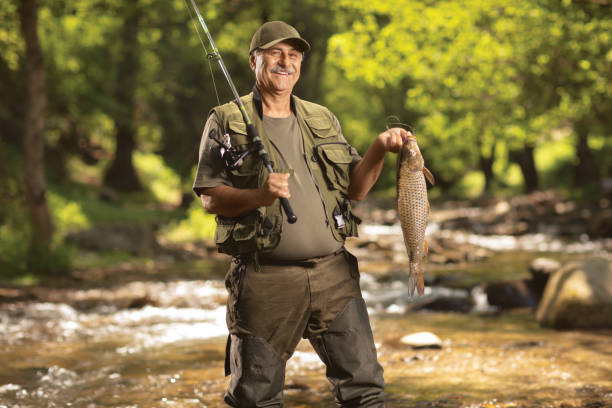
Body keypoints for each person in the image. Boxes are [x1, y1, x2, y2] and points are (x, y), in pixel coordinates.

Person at [193, 20, 411, 408]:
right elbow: (210, 196)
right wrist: (258, 196)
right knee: (255, 399)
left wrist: (379, 147)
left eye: (293, 55)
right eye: (275, 53)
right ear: (254, 60)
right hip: (265, 282)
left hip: (335, 276)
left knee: (366, 391)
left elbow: (356, 189)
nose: (285, 61)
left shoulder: (321, 118)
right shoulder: (226, 119)